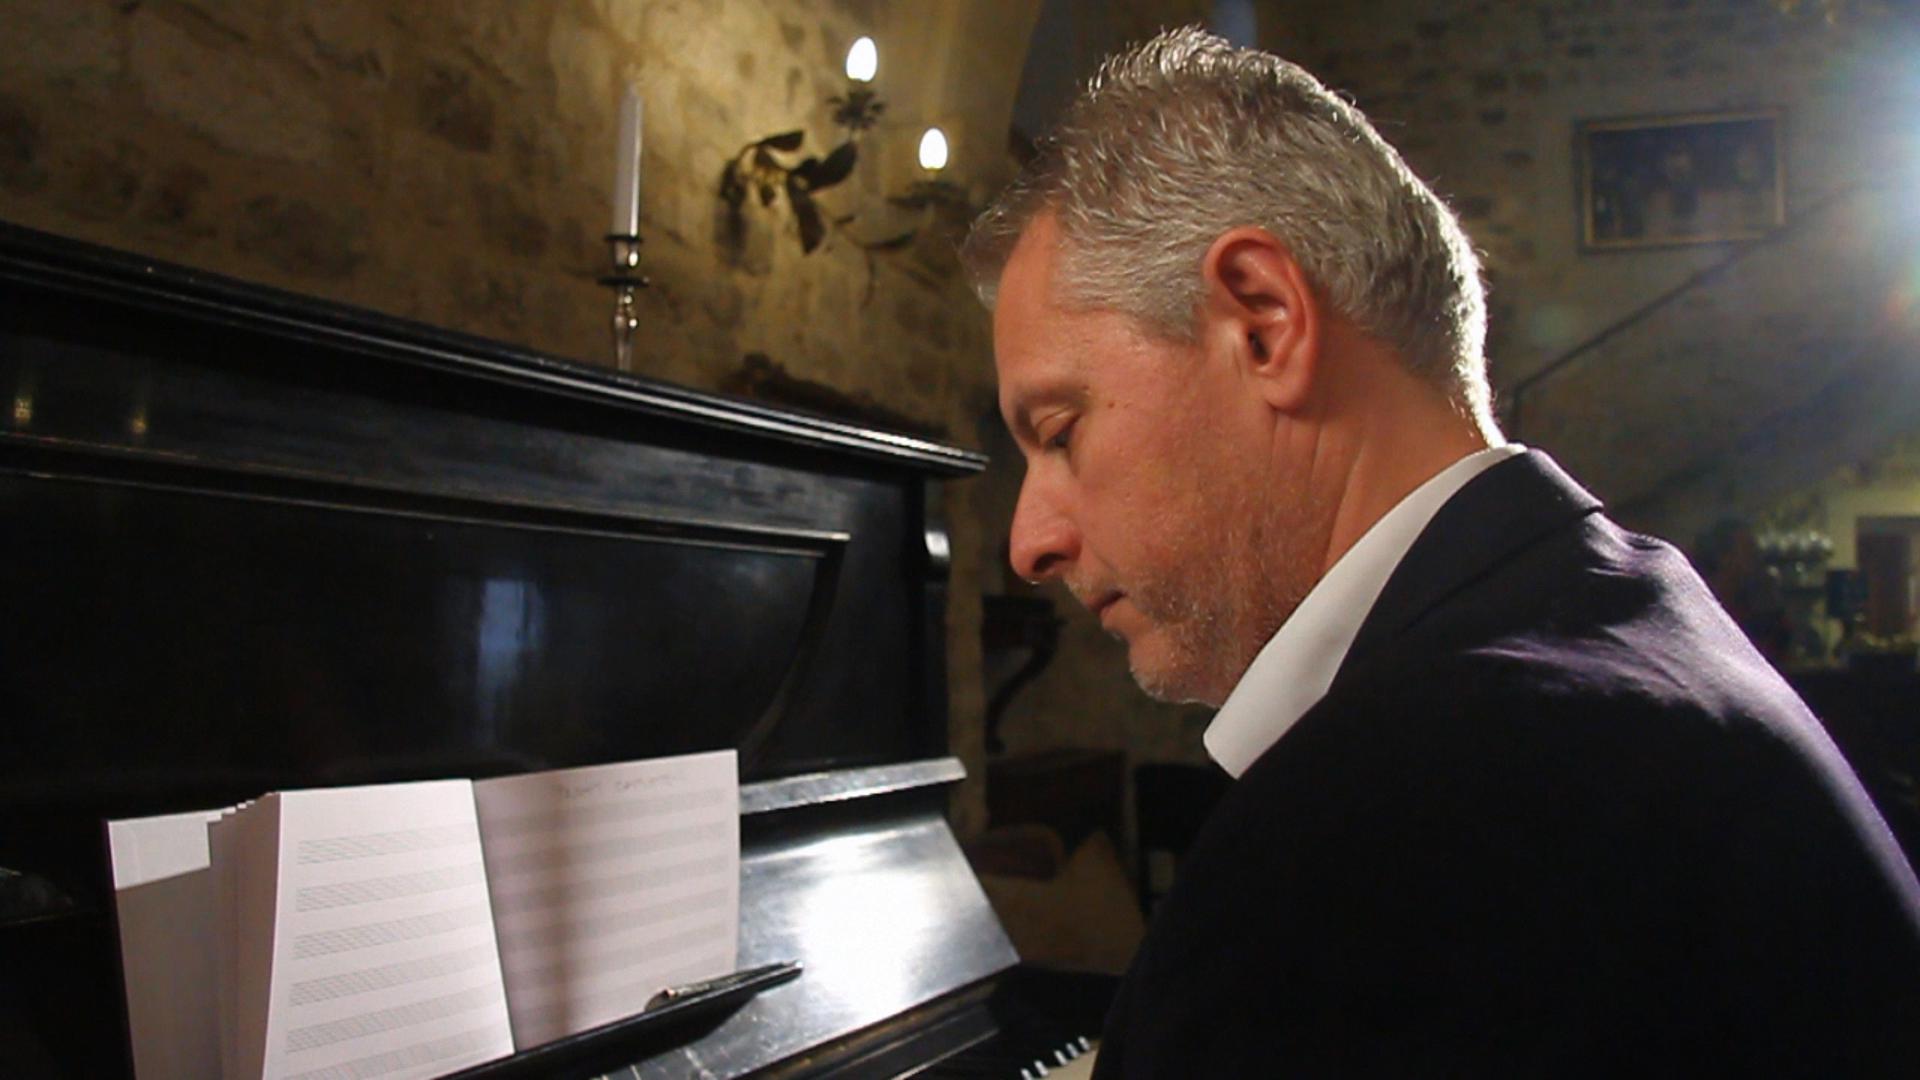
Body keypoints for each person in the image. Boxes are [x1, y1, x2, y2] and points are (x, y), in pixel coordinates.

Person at [961, 26, 1920, 1077]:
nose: (1029, 543)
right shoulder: (1628, 617)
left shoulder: (1390, 819)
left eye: (1060, 432)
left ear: (1264, 324)